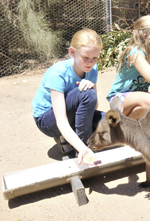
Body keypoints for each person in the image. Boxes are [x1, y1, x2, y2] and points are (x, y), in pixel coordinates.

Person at [32, 29, 104, 165]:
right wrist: (83, 148)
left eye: (95, 58)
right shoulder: (58, 73)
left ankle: (71, 140)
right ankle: (82, 149)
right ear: (72, 52)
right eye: (85, 58)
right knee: (87, 94)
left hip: (71, 113)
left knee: (111, 123)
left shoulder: (92, 69)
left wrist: (91, 87)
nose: (90, 63)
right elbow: (61, 121)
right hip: (48, 121)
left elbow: (93, 107)